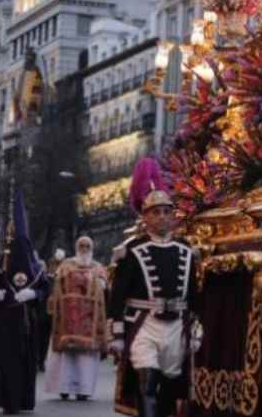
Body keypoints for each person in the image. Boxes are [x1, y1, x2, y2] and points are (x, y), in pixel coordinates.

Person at [108, 170, 202, 417]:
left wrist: (195, 326)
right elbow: (117, 295)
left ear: (173, 216)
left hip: (177, 327)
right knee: (147, 381)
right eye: (155, 212)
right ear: (145, 218)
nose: (162, 217)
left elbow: (194, 293)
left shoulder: (186, 250)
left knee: (170, 388)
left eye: (166, 212)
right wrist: (116, 333)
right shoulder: (132, 250)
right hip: (144, 324)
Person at [0, 187, 51, 415]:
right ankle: (9, 401)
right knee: (7, 362)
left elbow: (45, 288)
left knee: (26, 361)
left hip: (28, 321)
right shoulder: (0, 263)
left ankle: (25, 399)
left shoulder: (35, 267)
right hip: (5, 321)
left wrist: (34, 294)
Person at [43, 236, 107, 401]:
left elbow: (105, 284)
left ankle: (83, 389)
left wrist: (99, 283)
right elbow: (55, 279)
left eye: (87, 246)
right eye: (81, 245)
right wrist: (55, 264)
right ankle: (63, 387)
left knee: (85, 356)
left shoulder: (98, 267)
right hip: (67, 315)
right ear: (76, 247)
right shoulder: (66, 264)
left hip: (89, 316)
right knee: (66, 355)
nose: (84, 248)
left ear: (91, 248)